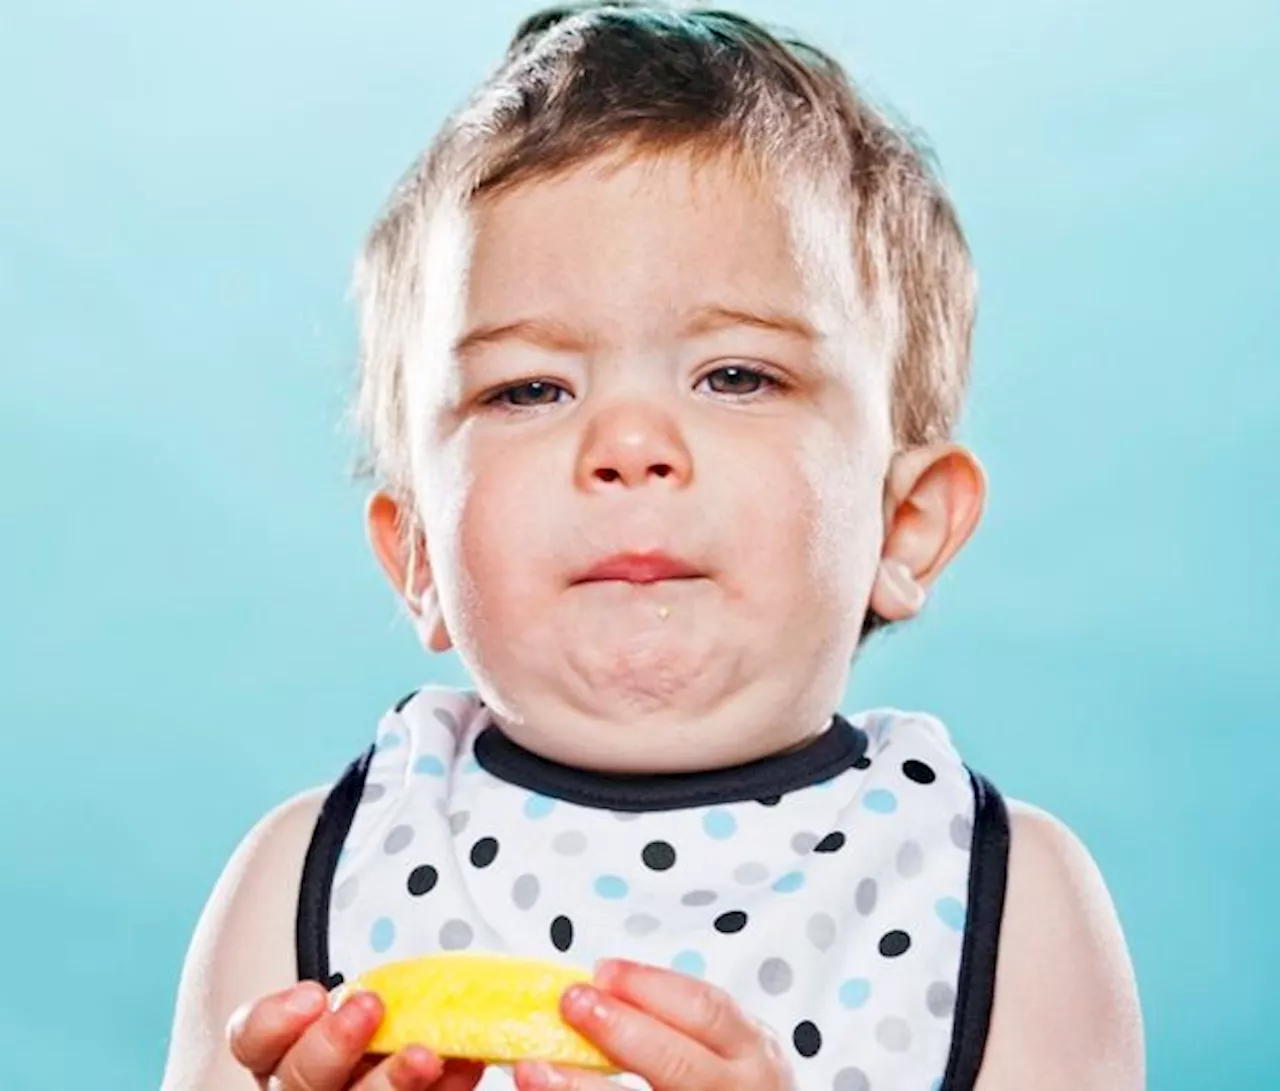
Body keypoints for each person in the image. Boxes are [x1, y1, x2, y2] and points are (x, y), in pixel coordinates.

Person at [160, 4, 1145, 1089]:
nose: (628, 444)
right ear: (418, 557)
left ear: (903, 527)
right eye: (527, 388)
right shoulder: (309, 871)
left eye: (736, 375)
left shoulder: (1001, 896)